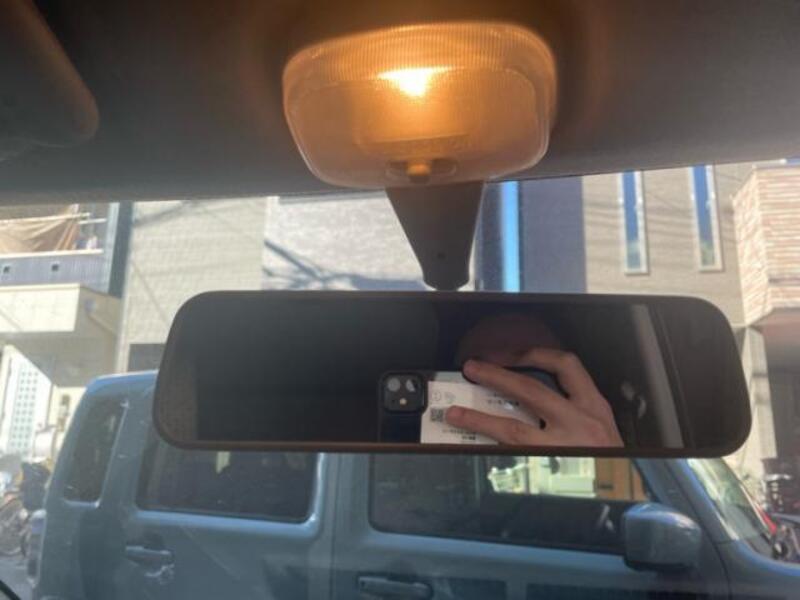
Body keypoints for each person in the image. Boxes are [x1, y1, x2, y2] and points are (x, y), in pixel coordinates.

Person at [444, 313, 624, 448]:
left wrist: (601, 450)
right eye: (475, 377)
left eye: (530, 373)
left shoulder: (594, 440)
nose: (502, 389)